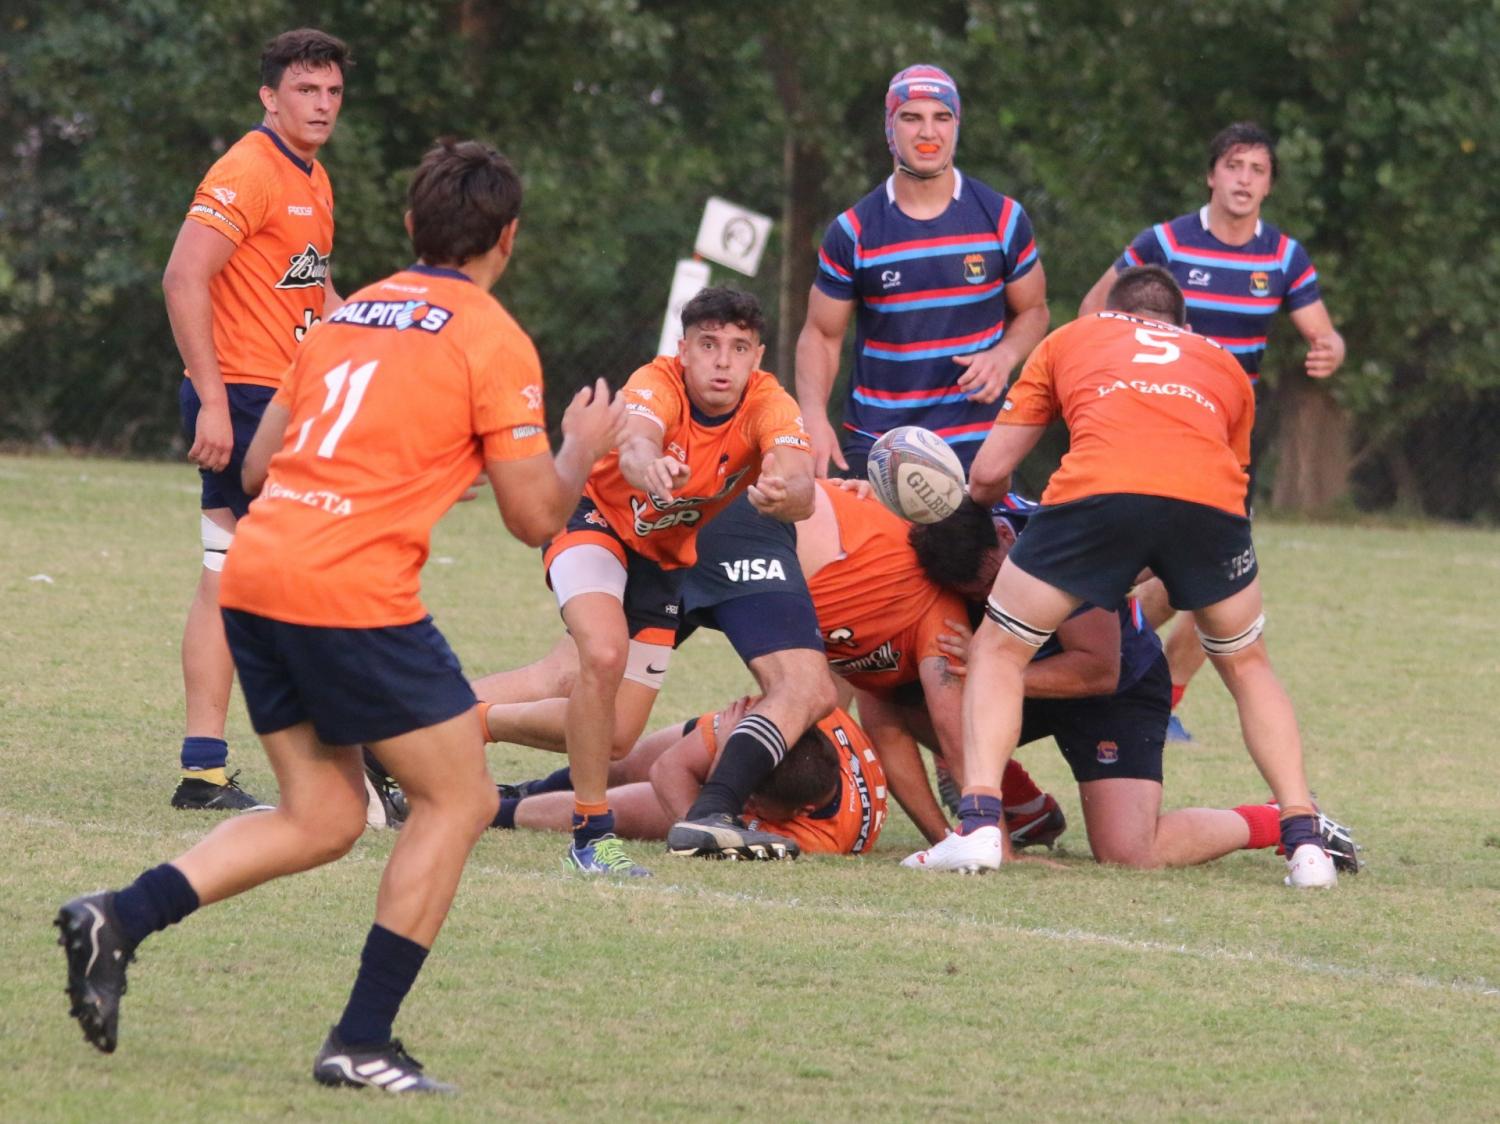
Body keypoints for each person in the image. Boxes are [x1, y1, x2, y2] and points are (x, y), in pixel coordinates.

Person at [55, 140, 624, 1091]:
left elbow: (256, 468)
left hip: (258, 571)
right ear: (509, 238)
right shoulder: (491, 336)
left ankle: (122, 915)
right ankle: (361, 1039)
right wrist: (579, 447)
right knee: (463, 797)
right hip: (348, 591)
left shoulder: (344, 313)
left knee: (322, 815)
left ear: (410, 226)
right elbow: (536, 516)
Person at [913, 264, 1349, 886]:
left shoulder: (1071, 337)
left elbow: (987, 475)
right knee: (1250, 666)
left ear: (1107, 311)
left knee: (999, 650)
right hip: (1211, 507)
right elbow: (1218, 489)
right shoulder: (1224, 365)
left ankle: (980, 826)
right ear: (1182, 326)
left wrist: (972, 510)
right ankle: (1306, 842)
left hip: (1099, 492)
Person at [510, 287, 814, 877]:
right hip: (592, 518)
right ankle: (592, 835)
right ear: (684, 350)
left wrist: (785, 495)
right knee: (601, 652)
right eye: (708, 345)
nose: (723, 361)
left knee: (618, 735)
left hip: (664, 559)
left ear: (756, 356)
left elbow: (800, 478)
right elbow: (637, 440)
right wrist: (649, 465)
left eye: (738, 347)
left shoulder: (770, 402)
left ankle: (446, 723)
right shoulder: (657, 381)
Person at [901, 499, 1360, 872]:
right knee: (915, 706)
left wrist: (990, 671)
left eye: (989, 584)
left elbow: (1099, 671)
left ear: (1006, 536)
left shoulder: (1056, 546)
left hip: (1116, 688)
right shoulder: (946, 531)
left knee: (1129, 853)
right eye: (973, 595)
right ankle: (1024, 809)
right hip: (1031, 680)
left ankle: (1283, 820)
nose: (986, 599)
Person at [1077, 122, 1346, 739]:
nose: (1244, 179)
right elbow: (1095, 312)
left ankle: (1157, 699)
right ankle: (1114, 668)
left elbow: (1322, 334)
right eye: (1234, 166)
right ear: (1211, 175)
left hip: (1227, 447)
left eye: (1257, 170)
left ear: (1269, 184)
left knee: (1212, 584)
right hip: (1154, 433)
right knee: (1157, 574)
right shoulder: (1165, 242)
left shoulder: (1282, 257)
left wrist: (1329, 350)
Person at [163, 29, 351, 810]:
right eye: (307, 90)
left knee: (227, 576)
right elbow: (183, 277)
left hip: (279, 402)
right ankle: (340, 755)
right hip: (244, 400)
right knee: (309, 578)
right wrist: (210, 399)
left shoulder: (314, 178)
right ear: (270, 96)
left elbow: (318, 298)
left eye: (333, 92)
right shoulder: (248, 170)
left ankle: (204, 766)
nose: (322, 105)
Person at [795, 63, 1048, 477]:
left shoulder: (1003, 218)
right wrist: (813, 416)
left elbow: (1034, 310)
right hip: (879, 443)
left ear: (956, 125)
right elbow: (822, 334)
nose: (928, 132)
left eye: (941, 117)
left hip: (977, 444)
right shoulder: (853, 231)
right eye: (911, 117)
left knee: (985, 543)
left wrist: (1004, 355)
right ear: (890, 129)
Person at [492, 700, 888, 858]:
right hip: (751, 735)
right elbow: (667, 766)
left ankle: (493, 810)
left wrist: (700, 825)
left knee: (619, 811)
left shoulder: (819, 840)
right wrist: (737, 747)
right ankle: (532, 788)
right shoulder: (796, 718)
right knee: (631, 761)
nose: (740, 798)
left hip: (746, 750)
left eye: (749, 800)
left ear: (802, 811)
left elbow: (670, 785)